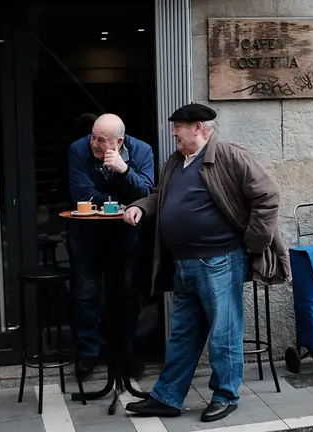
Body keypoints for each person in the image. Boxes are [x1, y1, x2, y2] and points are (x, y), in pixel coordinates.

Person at [122, 103, 290, 423]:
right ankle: (168, 397)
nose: (173, 133)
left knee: (223, 333)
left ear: (198, 127)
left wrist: (253, 244)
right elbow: (161, 196)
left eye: (178, 128)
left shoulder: (228, 155)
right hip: (184, 264)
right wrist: (141, 207)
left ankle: (226, 394)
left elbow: (268, 195)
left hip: (221, 260)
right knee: (183, 333)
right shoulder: (176, 161)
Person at [67, 113, 155, 379]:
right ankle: (88, 354)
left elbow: (147, 194)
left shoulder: (141, 151)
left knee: (128, 295)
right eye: (93, 136)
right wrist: (120, 202)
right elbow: (82, 194)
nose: (94, 143)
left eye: (102, 140)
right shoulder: (78, 150)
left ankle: (126, 354)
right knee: (86, 294)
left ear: (119, 142)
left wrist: (124, 170)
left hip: (127, 235)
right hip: (87, 235)